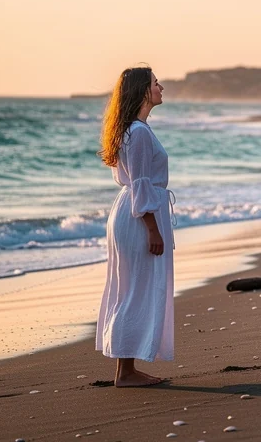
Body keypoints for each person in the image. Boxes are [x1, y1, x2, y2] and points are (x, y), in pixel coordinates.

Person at [95, 66, 174, 387]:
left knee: (131, 289)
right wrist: (153, 229)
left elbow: (137, 184)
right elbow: (141, 183)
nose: (162, 87)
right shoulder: (138, 132)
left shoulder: (134, 129)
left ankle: (125, 369)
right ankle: (125, 372)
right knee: (135, 290)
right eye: (156, 83)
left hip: (131, 214)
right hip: (140, 217)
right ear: (143, 90)